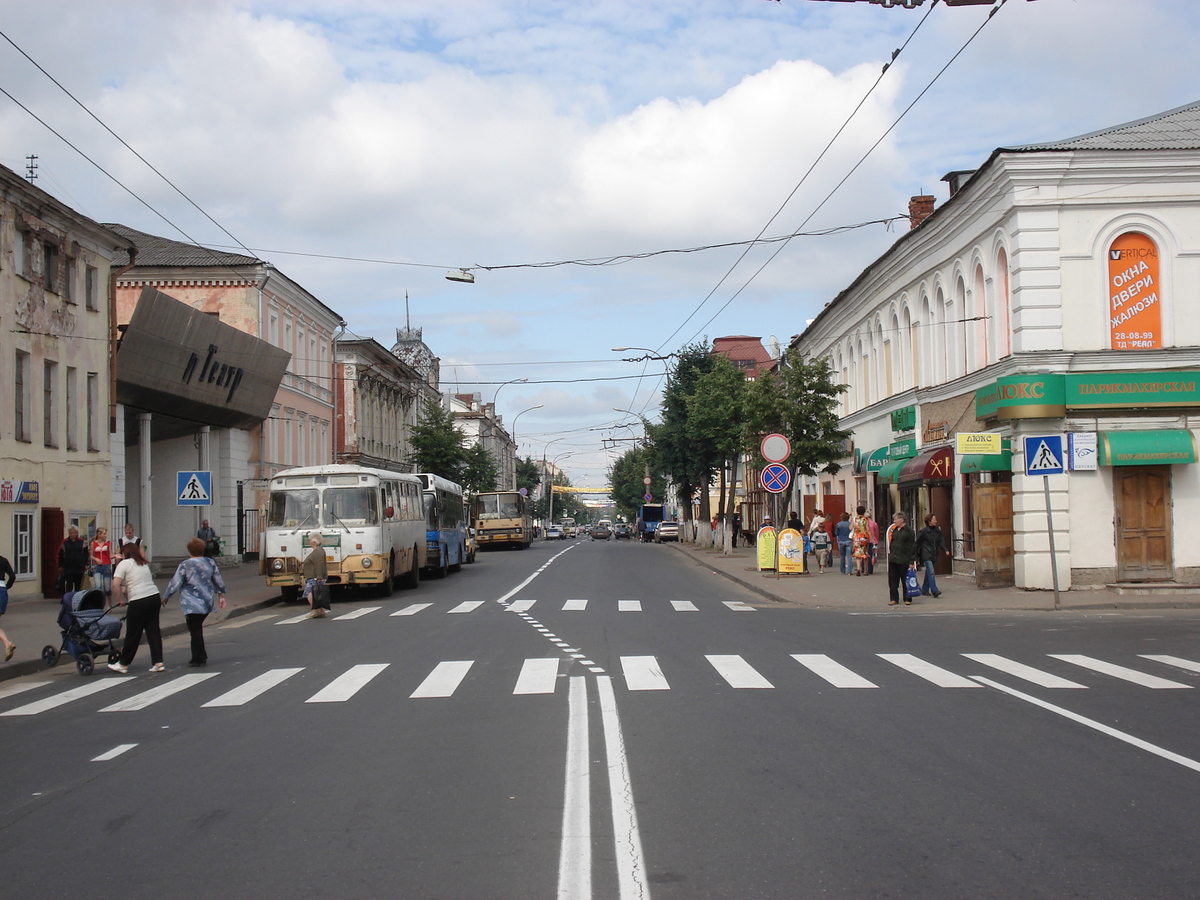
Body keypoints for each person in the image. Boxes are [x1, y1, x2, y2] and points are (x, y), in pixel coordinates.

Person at [163, 537, 227, 667]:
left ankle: (198, 657)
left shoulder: (185, 565)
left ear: (189, 550)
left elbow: (175, 582)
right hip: (206, 601)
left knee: (195, 629)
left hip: (191, 602)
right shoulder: (210, 562)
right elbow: (217, 579)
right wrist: (221, 595)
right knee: (196, 628)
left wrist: (166, 596)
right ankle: (199, 655)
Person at [108, 540, 165, 673]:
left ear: (125, 553)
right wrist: (127, 595)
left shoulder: (124, 564)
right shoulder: (143, 563)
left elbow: (115, 585)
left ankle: (123, 663)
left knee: (133, 633)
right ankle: (158, 662)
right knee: (153, 631)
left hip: (139, 601)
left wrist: (118, 599)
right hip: (153, 596)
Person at [886, 512, 920, 606]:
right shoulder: (895, 530)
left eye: (896, 519)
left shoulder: (909, 531)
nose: (894, 521)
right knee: (893, 580)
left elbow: (912, 546)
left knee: (905, 580)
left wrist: (912, 561)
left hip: (904, 559)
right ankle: (894, 598)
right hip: (893, 559)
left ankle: (907, 598)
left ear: (902, 520)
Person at [917, 513, 951, 597]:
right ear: (929, 521)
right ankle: (934, 590)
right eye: (934, 519)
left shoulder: (937, 531)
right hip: (926, 554)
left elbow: (941, 541)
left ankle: (925, 589)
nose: (936, 521)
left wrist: (945, 550)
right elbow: (917, 542)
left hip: (934, 554)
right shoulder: (924, 531)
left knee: (929, 572)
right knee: (931, 572)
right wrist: (915, 555)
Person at [302, 532, 328, 619]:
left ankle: (315, 610)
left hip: (314, 577)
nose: (309, 542)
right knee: (315, 594)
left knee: (309, 593)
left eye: (310, 540)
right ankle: (321, 611)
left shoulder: (318, 551)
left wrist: (319, 577)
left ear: (314, 542)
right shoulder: (318, 551)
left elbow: (319, 564)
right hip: (314, 577)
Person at [57, 526, 89, 594]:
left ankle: (77, 599)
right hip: (68, 567)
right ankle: (67, 598)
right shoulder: (64, 542)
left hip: (79, 566)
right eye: (71, 533)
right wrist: (60, 566)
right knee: (69, 584)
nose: (72, 535)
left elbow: (86, 554)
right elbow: (60, 555)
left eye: (74, 533)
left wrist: (86, 564)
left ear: (77, 533)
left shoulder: (82, 541)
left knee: (78, 585)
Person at [0, 552, 16, 661]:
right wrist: (6, 587)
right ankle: (7, 644)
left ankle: (7, 643)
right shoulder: (3, 560)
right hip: (2, 591)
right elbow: (12, 576)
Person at [90, 527, 114, 597]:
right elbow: (91, 556)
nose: (105, 535)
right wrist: (96, 559)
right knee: (98, 586)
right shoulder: (93, 543)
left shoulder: (108, 543)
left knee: (107, 589)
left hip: (106, 565)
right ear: (99, 535)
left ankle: (109, 604)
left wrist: (115, 556)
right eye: (104, 534)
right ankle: (98, 603)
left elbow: (110, 555)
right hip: (97, 566)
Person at [851, 506, 872, 576]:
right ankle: (865, 570)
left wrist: (855, 527)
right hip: (864, 537)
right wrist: (871, 538)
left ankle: (858, 568)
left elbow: (850, 527)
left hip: (856, 538)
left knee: (858, 554)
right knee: (865, 554)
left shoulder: (854, 519)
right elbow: (868, 529)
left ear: (857, 511)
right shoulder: (865, 519)